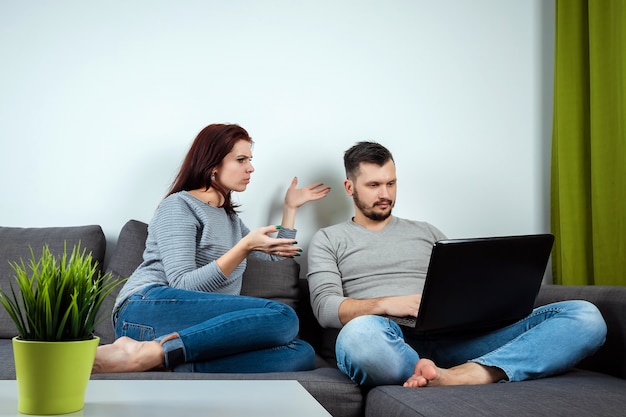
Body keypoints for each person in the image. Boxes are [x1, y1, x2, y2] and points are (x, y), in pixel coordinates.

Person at [306, 141, 606, 387]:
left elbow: (462, 282)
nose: (385, 194)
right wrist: (388, 304)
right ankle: (428, 372)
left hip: (457, 340)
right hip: (389, 339)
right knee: (358, 337)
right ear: (349, 187)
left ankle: (468, 374)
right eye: (373, 185)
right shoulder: (329, 239)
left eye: (391, 183)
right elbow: (326, 308)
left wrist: (487, 299)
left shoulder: (426, 232)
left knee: (585, 316)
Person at [93, 123, 330, 374]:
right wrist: (243, 248)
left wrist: (290, 208)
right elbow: (182, 284)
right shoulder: (179, 206)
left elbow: (279, 255)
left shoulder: (230, 220)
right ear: (212, 165)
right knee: (283, 316)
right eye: (240, 160)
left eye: (250, 159)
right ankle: (154, 352)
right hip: (145, 311)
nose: (250, 168)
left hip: (200, 328)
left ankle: (169, 361)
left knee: (300, 352)